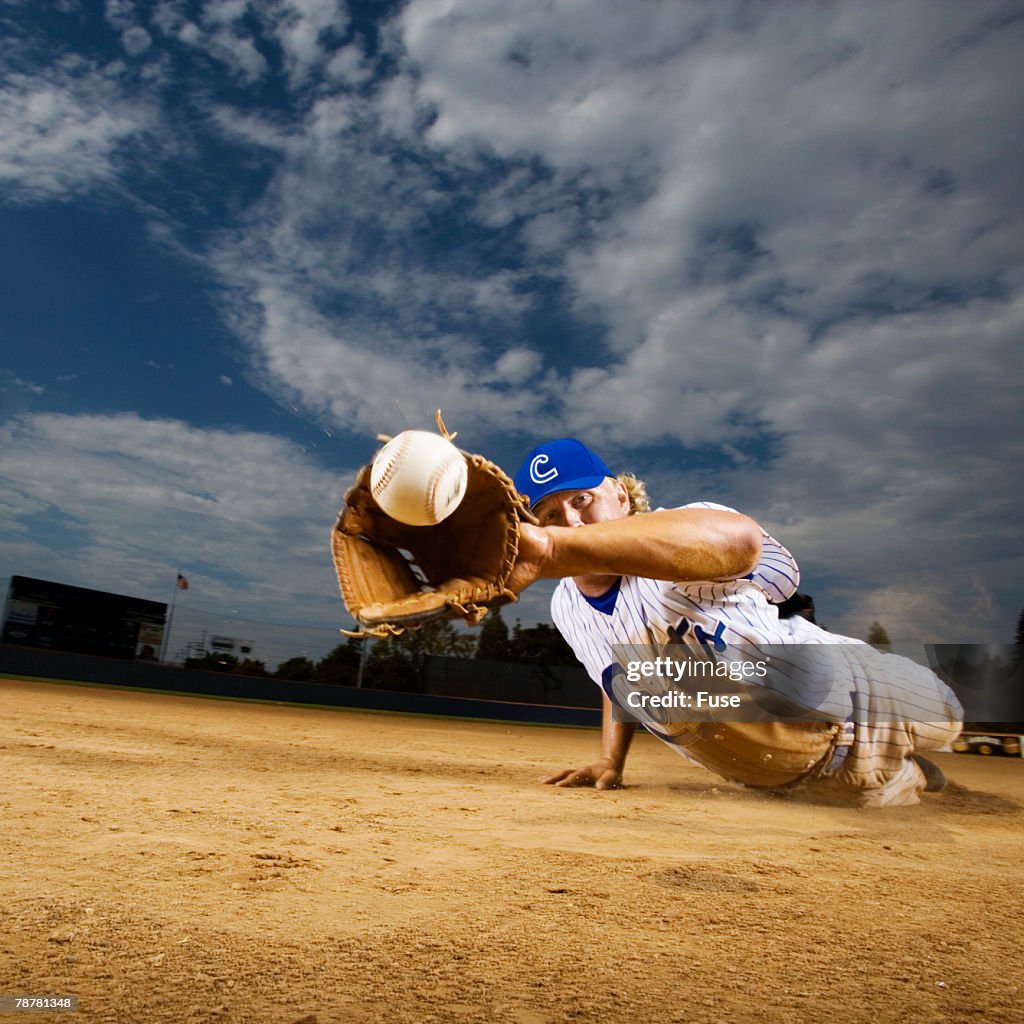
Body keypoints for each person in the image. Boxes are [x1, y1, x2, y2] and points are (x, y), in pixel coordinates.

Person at [509, 438, 963, 808]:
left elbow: (741, 540)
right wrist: (611, 759)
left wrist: (552, 547)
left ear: (622, 497)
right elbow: (620, 677)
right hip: (800, 778)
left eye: (583, 499)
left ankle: (911, 749)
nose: (570, 521)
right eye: (549, 515)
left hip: (868, 694)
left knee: (949, 717)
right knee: (893, 786)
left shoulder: (677, 534)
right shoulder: (565, 606)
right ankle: (911, 771)